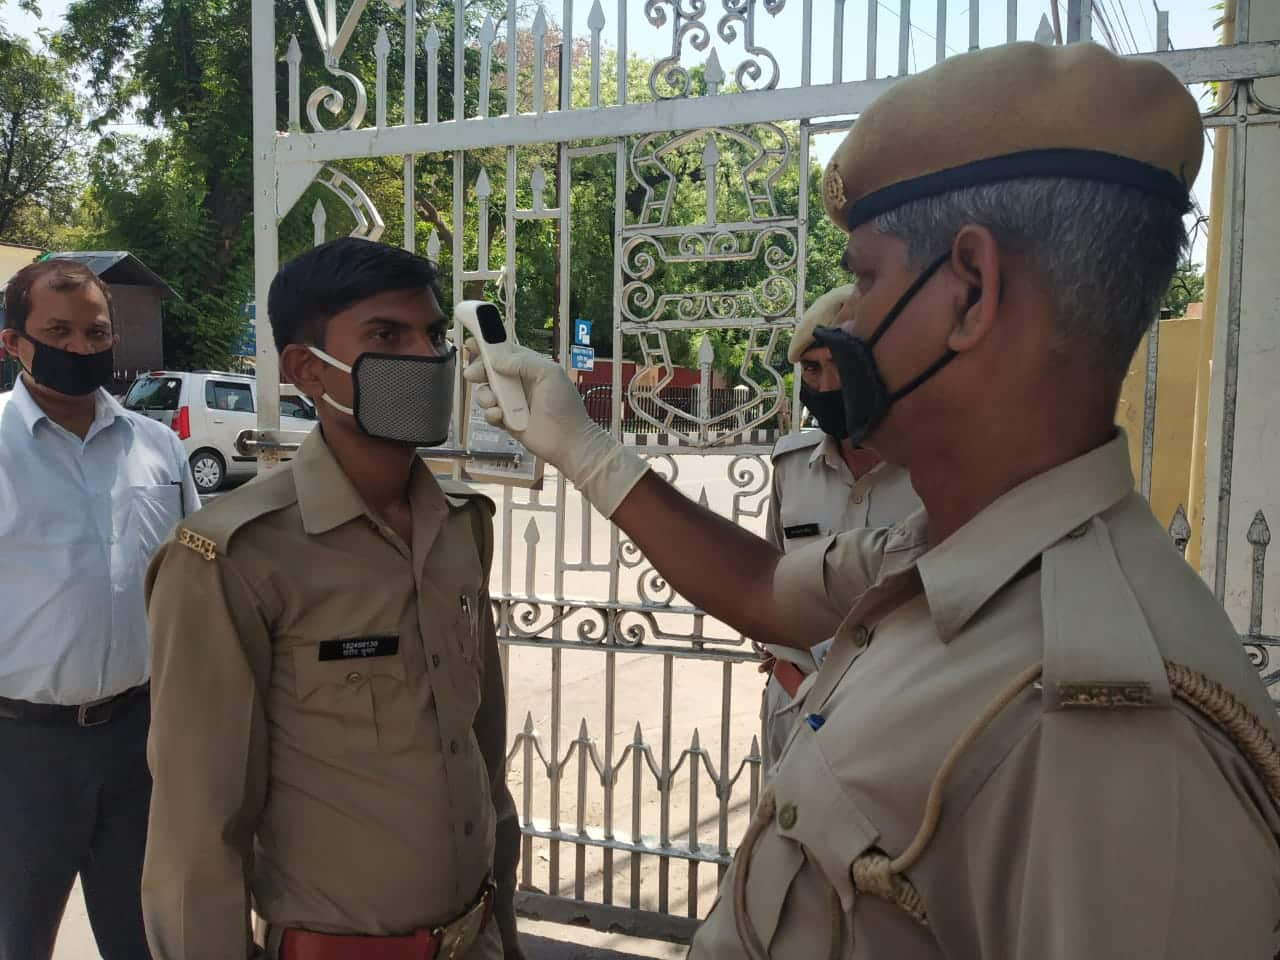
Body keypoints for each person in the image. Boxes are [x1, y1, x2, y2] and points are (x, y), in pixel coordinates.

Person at [464, 41, 1280, 958]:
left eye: (863, 278)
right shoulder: (945, 552)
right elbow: (766, 585)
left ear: (970, 291)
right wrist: (581, 446)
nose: (841, 320)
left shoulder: (1110, 734)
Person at [142, 237, 523, 960]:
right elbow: (197, 832)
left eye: (434, 335)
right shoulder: (234, 557)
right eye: (388, 336)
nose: (427, 358)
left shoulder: (462, 525)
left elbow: (479, 748)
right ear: (308, 371)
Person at [0, 258, 198, 960]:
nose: (81, 347)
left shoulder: (158, 448)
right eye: (58, 330)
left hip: (136, 744)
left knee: (142, 936)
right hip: (22, 752)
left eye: (95, 332)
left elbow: (191, 584)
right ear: (12, 342)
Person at [759, 285, 919, 778]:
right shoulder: (792, 467)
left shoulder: (933, 473)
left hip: (898, 718)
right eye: (811, 370)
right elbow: (767, 582)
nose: (827, 385)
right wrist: (789, 677)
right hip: (794, 703)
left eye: (841, 367)